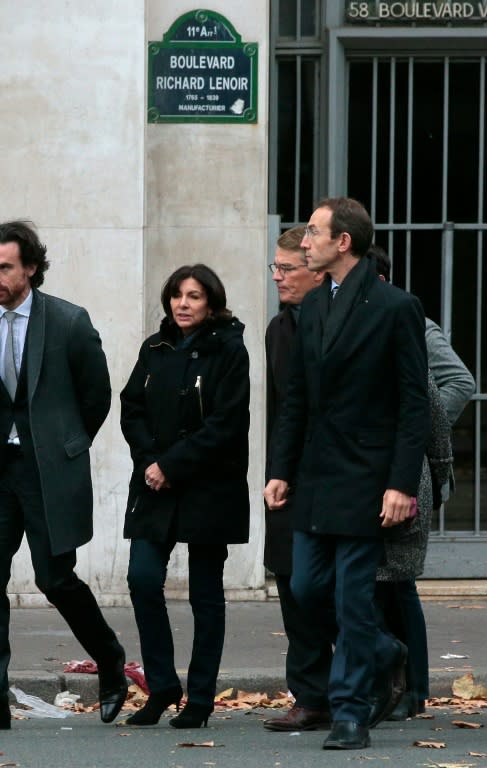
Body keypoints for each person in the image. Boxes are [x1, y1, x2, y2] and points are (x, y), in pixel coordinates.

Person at [0, 221, 127, 731]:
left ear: (31, 268)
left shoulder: (68, 321)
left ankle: (110, 661)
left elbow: (96, 395)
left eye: (4, 267)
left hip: (48, 473)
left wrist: (64, 445)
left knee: (55, 579)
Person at [264, 197, 430, 750]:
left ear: (344, 243)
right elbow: (296, 403)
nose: (302, 241)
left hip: (368, 477)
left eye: (312, 233)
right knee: (309, 588)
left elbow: (413, 405)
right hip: (315, 476)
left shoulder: (394, 307)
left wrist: (402, 483)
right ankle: (383, 651)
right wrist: (280, 469)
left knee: (352, 598)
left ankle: (351, 711)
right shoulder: (311, 309)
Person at [120, 264, 250, 729]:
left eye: (194, 296)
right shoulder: (154, 348)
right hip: (156, 483)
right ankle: (162, 685)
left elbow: (226, 423)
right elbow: (131, 407)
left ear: (211, 302)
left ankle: (200, 697)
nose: (183, 304)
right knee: (141, 578)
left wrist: (172, 465)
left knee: (205, 595)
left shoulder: (230, 350)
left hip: (208, 487)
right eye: (177, 295)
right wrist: (151, 463)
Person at [372, 244, 475, 720]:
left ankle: (413, 688)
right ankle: (391, 684)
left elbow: (459, 382)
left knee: (399, 582)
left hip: (406, 469)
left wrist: (418, 433)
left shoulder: (413, 324)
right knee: (380, 583)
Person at [262, 227, 333, 733]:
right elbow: (281, 410)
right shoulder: (278, 328)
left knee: (335, 588)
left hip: (338, 475)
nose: (278, 277)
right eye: (275, 268)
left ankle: (375, 661)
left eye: (287, 269)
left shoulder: (342, 321)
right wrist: (276, 473)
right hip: (290, 479)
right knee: (292, 585)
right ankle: (310, 696)